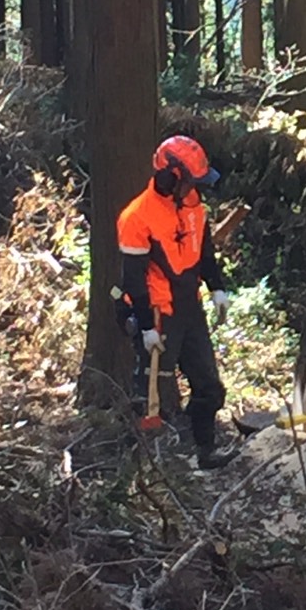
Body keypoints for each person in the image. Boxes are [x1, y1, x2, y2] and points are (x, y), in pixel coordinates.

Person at [117, 135, 235, 470]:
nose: (193, 188)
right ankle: (138, 468)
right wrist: (144, 326)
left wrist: (217, 288)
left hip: (190, 307)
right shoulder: (137, 217)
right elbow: (133, 280)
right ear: (171, 177)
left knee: (209, 385)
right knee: (149, 396)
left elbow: (204, 250)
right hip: (157, 311)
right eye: (189, 182)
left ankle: (205, 450)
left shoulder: (193, 202)